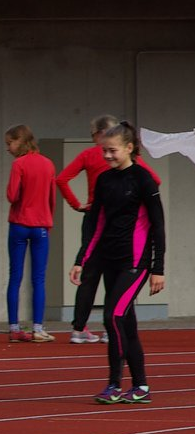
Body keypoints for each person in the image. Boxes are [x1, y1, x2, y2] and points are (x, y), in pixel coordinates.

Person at [71, 121, 165, 405]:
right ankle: (141, 386)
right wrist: (81, 260)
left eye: (112, 151)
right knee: (128, 325)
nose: (107, 156)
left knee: (112, 315)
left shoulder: (143, 180)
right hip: (109, 260)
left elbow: (158, 226)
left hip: (135, 262)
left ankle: (114, 384)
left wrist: (158, 269)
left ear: (129, 148)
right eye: (104, 151)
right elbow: (95, 223)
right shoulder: (104, 180)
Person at [57, 115, 161, 344]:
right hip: (119, 222)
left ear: (98, 134)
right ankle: (112, 325)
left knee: (89, 275)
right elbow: (154, 181)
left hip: (95, 218)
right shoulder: (126, 158)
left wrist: (78, 205)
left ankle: (79, 327)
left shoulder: (88, 155)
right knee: (114, 277)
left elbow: (62, 179)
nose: (106, 154)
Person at [4, 124, 57, 343]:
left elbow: (11, 195)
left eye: (10, 143)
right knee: (39, 279)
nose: (8, 148)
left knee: (15, 277)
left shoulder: (19, 164)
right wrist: (47, 221)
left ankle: (15, 327)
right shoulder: (48, 164)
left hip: (19, 224)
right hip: (41, 226)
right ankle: (37, 327)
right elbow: (52, 197)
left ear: (20, 141)